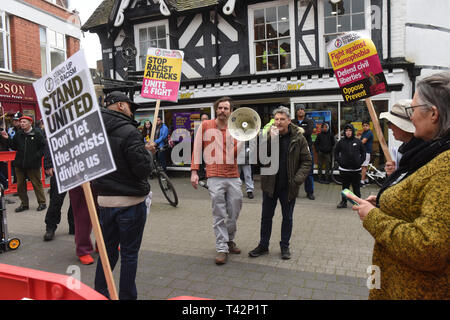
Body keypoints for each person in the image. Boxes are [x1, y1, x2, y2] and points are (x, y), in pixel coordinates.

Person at [348, 71, 450, 300]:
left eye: (412, 110)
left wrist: (374, 217)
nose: (410, 118)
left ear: (433, 114)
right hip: (395, 280)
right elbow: (417, 201)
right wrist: (385, 202)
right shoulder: (430, 153)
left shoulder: (445, 166)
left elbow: (429, 248)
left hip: (416, 290)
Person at [93, 91, 155, 300]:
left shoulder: (92, 129)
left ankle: (100, 294)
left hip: (104, 201)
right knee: (129, 254)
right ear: (120, 105)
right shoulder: (129, 131)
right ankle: (128, 296)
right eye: (130, 106)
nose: (131, 111)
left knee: (107, 251)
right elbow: (142, 170)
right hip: (130, 202)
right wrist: (148, 153)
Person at [248, 106, 311, 260]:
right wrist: (271, 139)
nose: (279, 122)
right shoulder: (269, 136)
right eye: (276, 119)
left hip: (289, 186)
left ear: (289, 121)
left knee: (287, 218)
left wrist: (297, 180)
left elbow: (307, 161)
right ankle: (263, 245)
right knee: (266, 217)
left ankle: (285, 246)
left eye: (282, 119)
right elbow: (259, 159)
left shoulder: (298, 138)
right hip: (270, 185)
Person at [191, 96, 243, 265]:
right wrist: (194, 171)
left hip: (233, 174)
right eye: (220, 108)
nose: (222, 111)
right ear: (216, 110)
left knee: (234, 211)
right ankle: (222, 248)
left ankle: (229, 240)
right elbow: (197, 148)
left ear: (231, 111)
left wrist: (242, 141)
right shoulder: (206, 126)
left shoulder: (236, 129)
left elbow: (232, 155)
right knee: (219, 213)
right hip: (214, 175)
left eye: (226, 108)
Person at [2, 116, 46, 212]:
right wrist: (7, 138)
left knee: (36, 184)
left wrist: (36, 156)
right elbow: (13, 146)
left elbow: (43, 147)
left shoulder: (37, 133)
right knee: (20, 185)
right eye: (21, 122)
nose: (22, 123)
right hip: (20, 164)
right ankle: (24, 204)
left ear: (30, 123)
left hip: (33, 164)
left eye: (24, 122)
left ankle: (42, 203)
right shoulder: (19, 134)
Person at [379, 99, 425, 176]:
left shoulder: (421, 153)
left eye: (390, 123)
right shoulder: (407, 148)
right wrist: (394, 174)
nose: (389, 127)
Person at [334, 123, 365, 208]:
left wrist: (360, 162)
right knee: (345, 188)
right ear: (344, 132)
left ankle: (358, 203)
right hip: (344, 170)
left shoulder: (358, 141)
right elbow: (336, 153)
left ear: (353, 131)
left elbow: (363, 153)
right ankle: (344, 202)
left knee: (356, 187)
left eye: (350, 130)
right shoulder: (341, 142)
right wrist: (340, 161)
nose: (348, 132)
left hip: (356, 170)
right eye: (347, 130)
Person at [294, 104, 315, 200]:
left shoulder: (309, 121)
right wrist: (301, 131)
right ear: (296, 111)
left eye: (302, 109)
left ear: (305, 111)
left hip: (307, 149)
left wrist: (298, 131)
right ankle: (294, 191)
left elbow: (308, 132)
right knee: (294, 171)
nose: (301, 111)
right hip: (295, 150)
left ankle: (310, 192)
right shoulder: (293, 122)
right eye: (299, 109)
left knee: (308, 172)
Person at [360, 121, 374, 186]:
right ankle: (366, 180)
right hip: (364, 151)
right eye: (364, 125)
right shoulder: (364, 132)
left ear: (369, 126)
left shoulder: (369, 133)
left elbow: (363, 141)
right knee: (364, 166)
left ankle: (362, 182)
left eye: (366, 125)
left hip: (366, 151)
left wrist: (356, 143)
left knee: (363, 167)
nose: (365, 127)